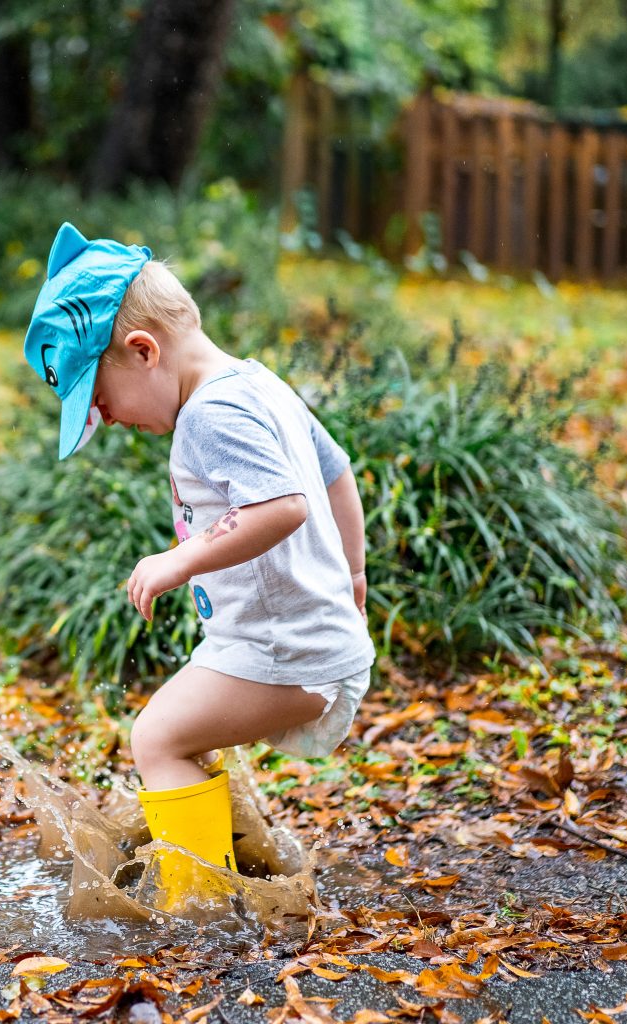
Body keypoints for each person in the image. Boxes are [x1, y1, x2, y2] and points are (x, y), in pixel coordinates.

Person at [21, 223, 375, 913]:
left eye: (101, 402)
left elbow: (282, 507)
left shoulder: (210, 413)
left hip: (287, 650)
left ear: (143, 351)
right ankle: (230, 859)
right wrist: (353, 578)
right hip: (298, 641)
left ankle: (199, 910)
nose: (110, 422)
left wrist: (181, 558)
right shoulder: (257, 383)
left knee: (155, 737)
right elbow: (338, 473)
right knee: (184, 738)